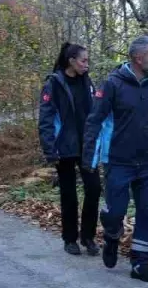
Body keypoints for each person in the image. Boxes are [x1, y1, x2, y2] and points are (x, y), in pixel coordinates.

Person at [82, 35, 148, 283]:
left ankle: (140, 263)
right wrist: (89, 158)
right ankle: (112, 236)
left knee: (146, 212)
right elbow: (95, 122)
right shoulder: (112, 85)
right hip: (118, 162)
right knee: (115, 212)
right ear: (138, 57)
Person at [38, 43, 101, 257]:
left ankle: (88, 237)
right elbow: (46, 119)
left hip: (87, 145)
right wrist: (49, 149)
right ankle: (70, 238)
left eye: (87, 60)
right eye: (83, 60)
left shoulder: (88, 82)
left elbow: (95, 113)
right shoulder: (54, 83)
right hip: (63, 147)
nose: (87, 64)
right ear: (71, 61)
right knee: (69, 194)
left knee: (94, 189)